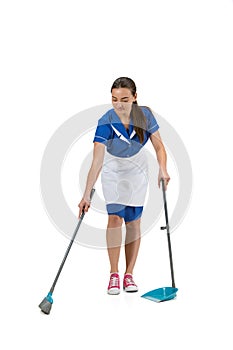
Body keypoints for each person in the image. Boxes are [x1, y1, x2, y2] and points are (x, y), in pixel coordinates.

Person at [78, 77, 170, 295]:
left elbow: (159, 147)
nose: (119, 104)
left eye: (124, 99)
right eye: (114, 99)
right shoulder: (105, 121)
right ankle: (113, 274)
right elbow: (97, 161)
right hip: (113, 168)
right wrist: (86, 195)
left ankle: (129, 274)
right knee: (115, 217)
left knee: (134, 221)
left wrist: (163, 168)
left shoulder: (145, 115)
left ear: (135, 97)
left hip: (137, 168)